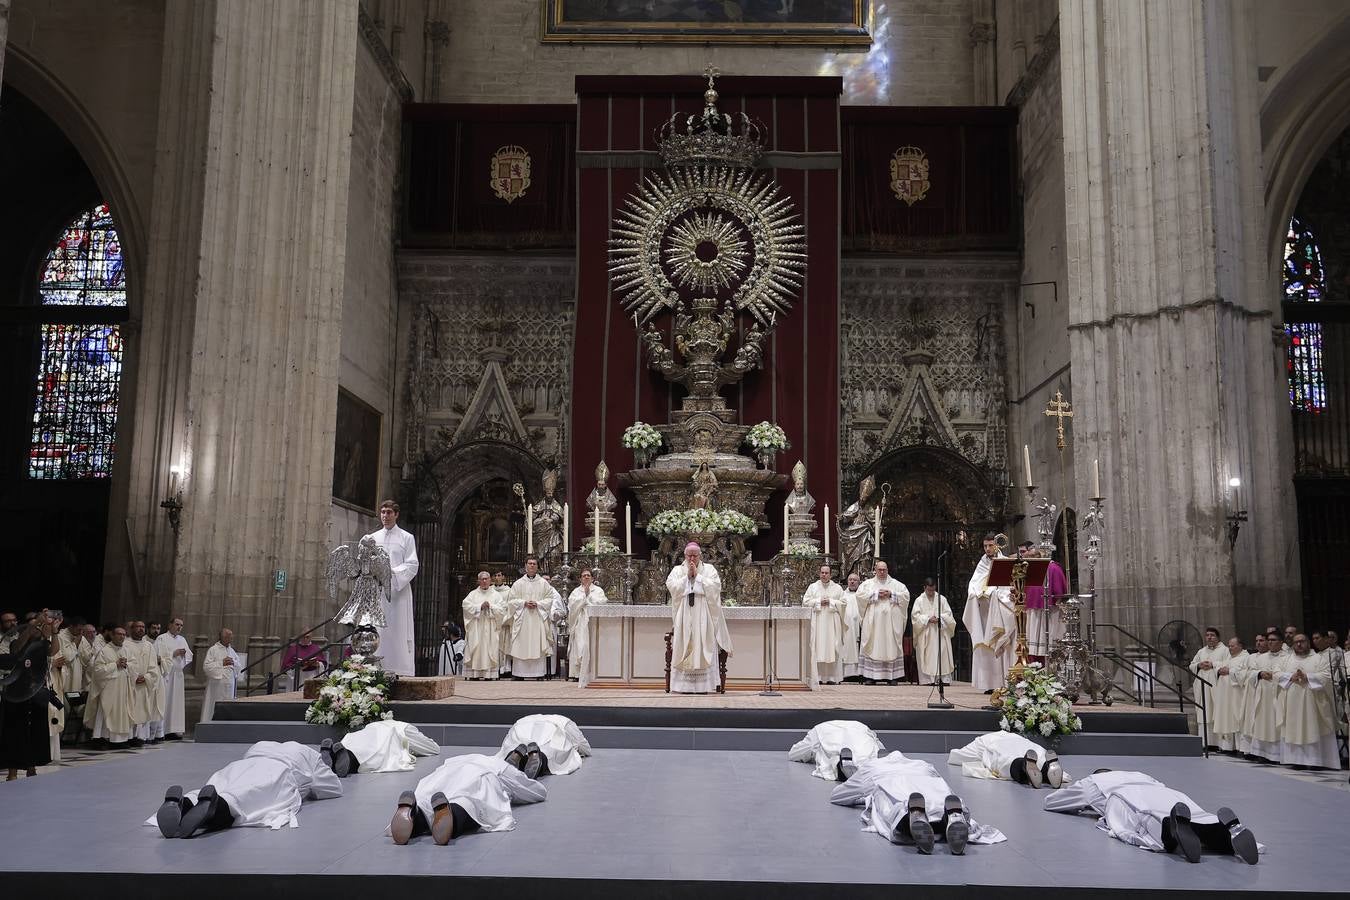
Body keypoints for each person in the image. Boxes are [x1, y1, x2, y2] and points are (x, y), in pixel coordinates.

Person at [1043, 769, 1259, 864]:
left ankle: (1171, 831)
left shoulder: (1092, 783)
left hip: (1124, 796)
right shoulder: (1139, 774)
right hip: (1166, 793)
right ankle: (1222, 831)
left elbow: (1052, 802)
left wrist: (1083, 805)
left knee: (1142, 817)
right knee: (1196, 814)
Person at [150, 740, 343, 838]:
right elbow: (332, 787)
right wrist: (320, 768)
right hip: (279, 771)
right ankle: (215, 807)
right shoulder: (306, 752)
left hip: (240, 766)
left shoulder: (261, 744)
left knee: (223, 784)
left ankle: (185, 802)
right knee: (243, 799)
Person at [830, 750, 1006, 855]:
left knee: (890, 805)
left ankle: (911, 814)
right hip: (929, 783)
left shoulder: (872, 767)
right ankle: (953, 816)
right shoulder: (921, 764)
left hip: (892, 783)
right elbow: (939, 778)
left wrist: (861, 797)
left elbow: (838, 796)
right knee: (941, 795)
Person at [389, 751, 547, 845]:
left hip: (441, 776)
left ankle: (415, 815)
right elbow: (535, 791)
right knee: (468, 802)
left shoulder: (455, 759)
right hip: (477, 777)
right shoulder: (498, 764)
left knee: (426, 802)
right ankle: (452, 816)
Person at [666, 542, 732, 693]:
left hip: (703, 616)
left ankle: (704, 686)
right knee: (685, 643)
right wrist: (687, 578)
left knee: (703, 644)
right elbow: (671, 586)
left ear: (700, 556)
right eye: (689, 555)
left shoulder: (709, 569)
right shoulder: (677, 570)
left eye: (695, 555)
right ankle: (683, 686)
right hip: (684, 615)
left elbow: (715, 587)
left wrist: (698, 577)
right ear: (684, 555)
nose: (692, 558)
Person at [1, 611, 59, 779]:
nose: (38, 628)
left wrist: (54, 631)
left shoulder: (42, 644)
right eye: (36, 626)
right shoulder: (15, 640)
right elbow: (17, 649)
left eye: (40, 626)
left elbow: (54, 651)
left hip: (35, 691)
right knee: (14, 731)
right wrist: (33, 625)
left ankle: (31, 767)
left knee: (35, 731)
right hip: (16, 692)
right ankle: (12, 772)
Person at [366, 500, 420, 676]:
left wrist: (391, 573)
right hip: (378, 592)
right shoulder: (372, 538)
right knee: (378, 628)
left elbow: (412, 564)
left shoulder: (406, 537)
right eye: (382, 512)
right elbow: (365, 562)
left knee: (397, 630)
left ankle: (399, 669)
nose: (385, 516)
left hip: (398, 592)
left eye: (389, 512)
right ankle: (375, 669)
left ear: (396, 514)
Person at [1277, 633, 1338, 768]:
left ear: (1308, 643)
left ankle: (1316, 761)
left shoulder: (1318, 658)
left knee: (1313, 727)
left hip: (1313, 702)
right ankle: (1296, 760)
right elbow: (1276, 673)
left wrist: (1308, 677)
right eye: (1296, 642)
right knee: (1294, 728)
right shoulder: (1286, 660)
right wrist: (1290, 677)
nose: (1299, 644)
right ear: (1292, 644)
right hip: (1292, 702)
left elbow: (1327, 676)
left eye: (1302, 641)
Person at [964, 534, 1014, 692]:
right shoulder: (982, 564)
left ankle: (1003, 682)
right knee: (985, 646)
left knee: (998, 643)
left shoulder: (1005, 562)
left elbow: (1007, 587)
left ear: (997, 545)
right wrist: (974, 593)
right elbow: (973, 584)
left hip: (999, 611)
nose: (987, 549)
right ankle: (988, 684)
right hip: (984, 613)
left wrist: (993, 591)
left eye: (990, 545)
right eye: (985, 546)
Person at [855, 560, 909, 685]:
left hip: (891, 625)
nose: (882, 572)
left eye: (884, 569)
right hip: (873, 625)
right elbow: (859, 596)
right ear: (875, 570)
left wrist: (891, 594)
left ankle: (891, 676)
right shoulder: (868, 584)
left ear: (888, 570)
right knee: (873, 645)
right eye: (880, 570)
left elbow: (906, 596)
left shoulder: (896, 585)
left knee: (890, 646)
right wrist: (875, 594)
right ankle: (871, 676)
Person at [947, 731, 1065, 787]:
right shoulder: (1015, 735)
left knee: (1004, 761)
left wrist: (955, 754)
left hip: (997, 744)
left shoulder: (982, 740)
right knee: (1038, 755)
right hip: (1023, 743)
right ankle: (1046, 767)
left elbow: (958, 756)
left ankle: (1023, 765)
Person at [507, 556, 561, 680]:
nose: (532, 566)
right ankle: (519, 673)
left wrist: (538, 604)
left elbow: (550, 599)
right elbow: (511, 601)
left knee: (537, 643)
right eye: (529, 563)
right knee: (521, 643)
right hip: (523, 618)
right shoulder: (518, 583)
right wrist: (523, 603)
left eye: (534, 564)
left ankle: (538, 674)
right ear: (525, 566)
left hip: (537, 617)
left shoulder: (543, 584)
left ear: (537, 567)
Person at [322, 719, 440, 776]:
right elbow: (433, 748)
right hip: (387, 734)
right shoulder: (407, 728)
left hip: (367, 731)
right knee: (374, 754)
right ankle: (346, 762)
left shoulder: (379, 722)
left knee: (354, 746)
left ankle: (333, 754)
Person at [788, 719, 885, 782]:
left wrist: (813, 754)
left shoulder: (819, 728)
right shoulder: (860, 725)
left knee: (831, 754)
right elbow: (876, 742)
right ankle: (880, 762)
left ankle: (839, 763)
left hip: (837, 747)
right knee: (869, 752)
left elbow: (796, 753)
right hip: (861, 738)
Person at [496, 714, 591, 775]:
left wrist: (504, 751)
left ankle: (516, 754)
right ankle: (539, 756)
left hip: (522, 726)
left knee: (513, 744)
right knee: (553, 753)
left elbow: (506, 742)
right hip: (552, 728)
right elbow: (583, 745)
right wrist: (583, 752)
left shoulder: (523, 719)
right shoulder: (565, 721)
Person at [1243, 631, 1286, 761]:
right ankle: (1262, 753)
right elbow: (1250, 673)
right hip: (1262, 696)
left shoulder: (1287, 657)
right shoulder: (1261, 658)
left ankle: (1278, 754)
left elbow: (1289, 673)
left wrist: (1274, 675)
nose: (1270, 642)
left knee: (1276, 723)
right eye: (1269, 640)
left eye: (1273, 640)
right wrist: (1260, 673)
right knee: (1262, 723)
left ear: (1281, 642)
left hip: (1278, 695)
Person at [1021, 543, 1067, 662]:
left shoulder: (1053, 568)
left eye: (1031, 558)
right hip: (1034, 613)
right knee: (1036, 645)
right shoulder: (1033, 569)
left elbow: (1059, 594)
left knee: (1048, 644)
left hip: (1051, 613)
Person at [802, 564, 846, 684]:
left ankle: (832, 677)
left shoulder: (837, 588)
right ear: (819, 573)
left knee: (833, 647)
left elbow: (844, 603)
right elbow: (805, 602)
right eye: (822, 573)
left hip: (832, 623)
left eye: (826, 573)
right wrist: (818, 601)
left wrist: (831, 602)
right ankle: (819, 677)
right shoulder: (813, 587)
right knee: (818, 647)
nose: (824, 575)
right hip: (818, 621)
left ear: (830, 574)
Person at [126, 620, 166, 745]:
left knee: (142, 710)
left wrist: (147, 677)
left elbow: (154, 667)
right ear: (132, 629)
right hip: (130, 683)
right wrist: (133, 677)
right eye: (138, 627)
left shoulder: (148, 646)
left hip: (144, 683)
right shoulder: (125, 644)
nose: (141, 629)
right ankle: (128, 737)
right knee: (129, 710)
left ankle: (139, 737)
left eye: (142, 627)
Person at [910, 578, 955, 686]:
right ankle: (928, 680)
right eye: (929, 590)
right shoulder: (919, 600)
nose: (931, 593)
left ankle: (943, 679)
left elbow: (948, 614)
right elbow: (915, 617)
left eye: (933, 590)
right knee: (927, 655)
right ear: (924, 588)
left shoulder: (941, 599)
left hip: (940, 632)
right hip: (926, 632)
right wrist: (927, 619)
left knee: (942, 653)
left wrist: (940, 618)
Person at [1187, 627, 1227, 745]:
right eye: (1207, 635)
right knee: (1203, 711)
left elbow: (1228, 664)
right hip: (1201, 686)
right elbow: (1191, 665)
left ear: (1218, 637)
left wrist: (1213, 664)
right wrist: (1199, 665)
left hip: (1216, 685)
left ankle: (1217, 743)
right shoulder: (1201, 651)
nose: (1209, 637)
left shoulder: (1224, 650)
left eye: (1212, 635)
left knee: (1215, 711)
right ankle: (1205, 742)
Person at [462, 572, 506, 680]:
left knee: (489, 648)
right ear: (478, 581)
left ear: (490, 580)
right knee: (476, 648)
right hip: (476, 627)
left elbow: (502, 609)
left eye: (486, 579)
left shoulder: (496, 595)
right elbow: (465, 605)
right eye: (482, 579)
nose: (485, 581)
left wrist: (490, 606)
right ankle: (474, 674)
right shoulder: (473, 594)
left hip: (490, 627)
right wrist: (479, 607)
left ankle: (489, 674)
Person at [566, 568, 605, 687]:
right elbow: (571, 606)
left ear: (593, 578)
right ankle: (577, 674)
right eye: (584, 576)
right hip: (580, 622)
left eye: (588, 575)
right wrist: (584, 598)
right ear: (580, 579)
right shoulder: (576, 592)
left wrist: (588, 597)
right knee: (580, 646)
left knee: (591, 646)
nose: (586, 577)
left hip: (593, 622)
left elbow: (602, 603)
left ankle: (592, 673)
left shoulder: (598, 590)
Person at [154, 617, 192, 741]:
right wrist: (173, 654)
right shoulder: (162, 638)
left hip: (178, 675)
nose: (179, 627)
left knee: (176, 703)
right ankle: (162, 730)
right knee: (165, 701)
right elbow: (156, 656)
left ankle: (173, 730)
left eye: (181, 625)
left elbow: (189, 656)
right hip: (166, 675)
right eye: (177, 624)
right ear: (170, 625)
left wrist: (183, 655)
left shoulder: (182, 639)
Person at [1212, 637, 1249, 754]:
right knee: (1226, 717)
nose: (1230, 648)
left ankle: (1240, 748)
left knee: (1237, 718)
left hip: (1237, 694)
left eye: (1232, 646)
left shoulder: (1246, 658)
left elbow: (1244, 674)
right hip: (1225, 696)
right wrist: (1219, 670)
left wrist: (1230, 671)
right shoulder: (1229, 658)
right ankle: (1227, 746)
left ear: (1240, 646)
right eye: (1229, 646)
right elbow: (1219, 666)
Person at [201, 628, 239, 723]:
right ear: (221, 637)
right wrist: (221, 663)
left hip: (230, 685)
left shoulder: (232, 651)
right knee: (214, 706)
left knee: (228, 707)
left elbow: (239, 665)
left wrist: (233, 662)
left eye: (231, 636)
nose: (230, 638)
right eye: (227, 636)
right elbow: (206, 667)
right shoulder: (213, 650)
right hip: (217, 685)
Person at [840, 572, 862, 680]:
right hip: (846, 627)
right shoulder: (842, 595)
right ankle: (846, 673)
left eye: (855, 580)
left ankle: (858, 673)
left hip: (859, 627)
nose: (852, 582)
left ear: (859, 582)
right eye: (850, 580)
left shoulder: (862, 595)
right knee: (846, 648)